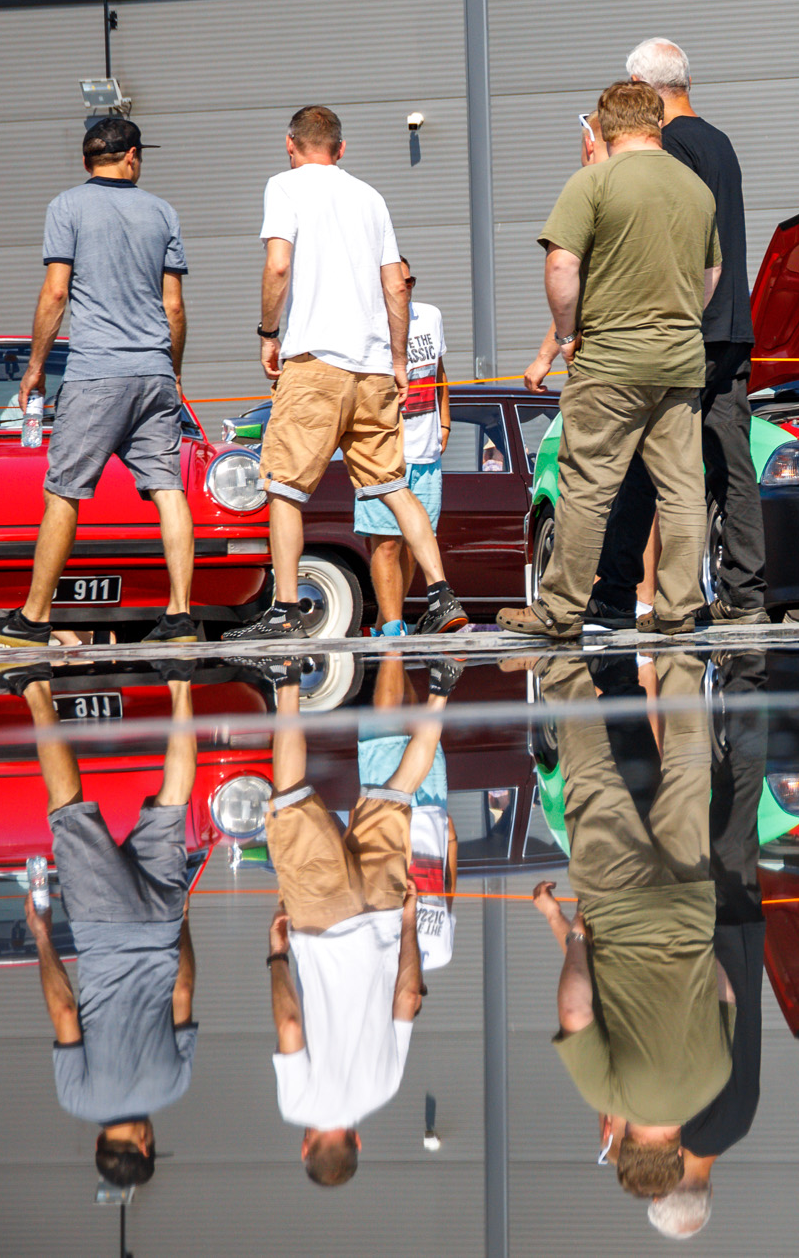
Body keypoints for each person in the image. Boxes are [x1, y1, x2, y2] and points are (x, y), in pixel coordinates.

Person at [228, 106, 466, 641]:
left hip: (315, 360)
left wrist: (269, 333)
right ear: (341, 148)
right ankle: (441, 594)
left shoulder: (285, 186)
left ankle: (285, 612)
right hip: (374, 368)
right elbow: (395, 286)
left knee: (284, 487)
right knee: (393, 484)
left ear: (290, 144)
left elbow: (279, 265)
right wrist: (399, 361)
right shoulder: (370, 197)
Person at [0, 116, 199, 648]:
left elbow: (55, 293)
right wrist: (173, 369)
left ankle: (34, 617)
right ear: (132, 156)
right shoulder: (162, 212)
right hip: (154, 372)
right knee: (168, 488)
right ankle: (180, 614)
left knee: (64, 491)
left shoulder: (67, 206)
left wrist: (35, 366)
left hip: (97, 373)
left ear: (87, 159)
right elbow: (174, 306)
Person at [498, 83, 720, 641]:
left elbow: (561, 266)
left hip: (610, 363)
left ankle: (560, 610)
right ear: (657, 124)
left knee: (587, 486)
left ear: (606, 126)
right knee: (682, 489)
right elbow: (711, 274)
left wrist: (566, 335)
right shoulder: (695, 189)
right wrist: (679, 322)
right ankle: (678, 608)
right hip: (679, 363)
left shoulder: (594, 182)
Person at [531, 650, 736, 1205]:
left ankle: (683, 651)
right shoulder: (612, 1096)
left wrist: (691, 941)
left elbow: (725, 991)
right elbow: (576, 1012)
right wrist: (576, 936)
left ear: (676, 1152)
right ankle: (560, 662)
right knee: (593, 782)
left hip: (690, 908)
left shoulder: (713, 1082)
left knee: (687, 775)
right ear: (627, 1145)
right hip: (618, 911)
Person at [587, 38, 766, 630]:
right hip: (733, 324)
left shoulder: (670, 147)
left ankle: (618, 591)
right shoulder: (720, 142)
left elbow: (661, 232)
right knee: (732, 465)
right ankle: (745, 593)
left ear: (643, 88)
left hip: (687, 323)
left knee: (643, 455)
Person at [8, 658, 200, 1188]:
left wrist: (181, 921)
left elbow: (182, 990)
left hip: (161, 925)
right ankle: (35, 685)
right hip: (102, 927)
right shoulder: (79, 1099)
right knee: (68, 810)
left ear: (146, 1143)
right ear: (101, 1144)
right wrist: (42, 937)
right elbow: (64, 1010)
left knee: (172, 804)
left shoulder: (174, 1087)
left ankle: (182, 682)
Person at [264, 653, 447, 1186]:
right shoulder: (300, 1105)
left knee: (397, 793)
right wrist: (277, 957)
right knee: (289, 800)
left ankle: (441, 689)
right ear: (308, 1146)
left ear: (358, 1142)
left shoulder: (384, 1089)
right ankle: (287, 674)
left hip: (384, 918)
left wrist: (409, 921)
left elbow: (407, 997)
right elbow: (290, 1024)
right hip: (322, 926)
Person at [649, 651, 768, 1239]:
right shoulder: (688, 1122)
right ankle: (741, 671)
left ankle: (739, 678)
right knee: (705, 802)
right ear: (669, 1183)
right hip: (711, 937)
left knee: (736, 806)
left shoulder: (738, 1126)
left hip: (744, 937)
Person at [362, 260, 448, 635]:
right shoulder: (367, 323)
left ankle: (386, 622)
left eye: (409, 281)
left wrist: (445, 422)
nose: (404, 288)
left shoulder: (430, 316)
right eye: (398, 282)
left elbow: (439, 372)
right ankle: (393, 628)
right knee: (386, 545)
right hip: (383, 452)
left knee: (416, 545)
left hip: (426, 451)